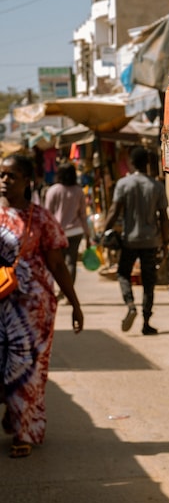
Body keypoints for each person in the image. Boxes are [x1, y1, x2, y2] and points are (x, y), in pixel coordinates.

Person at [0, 153, 83, 458]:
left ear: (27, 180)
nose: (5, 181)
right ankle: (13, 412)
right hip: (1, 304)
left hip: (34, 310)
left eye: (11, 176)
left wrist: (75, 304)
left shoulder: (41, 218)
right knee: (3, 366)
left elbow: (58, 264)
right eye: (2, 175)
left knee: (26, 369)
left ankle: (23, 432)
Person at [104, 146, 169, 335]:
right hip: (151, 241)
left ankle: (130, 304)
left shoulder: (124, 184)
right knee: (149, 282)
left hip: (129, 240)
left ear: (131, 163)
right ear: (148, 163)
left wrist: (104, 231)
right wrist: (165, 242)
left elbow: (113, 211)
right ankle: (146, 322)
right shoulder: (157, 186)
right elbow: (164, 217)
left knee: (123, 273)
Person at [43, 161, 92, 284]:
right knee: (71, 263)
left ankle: (61, 290)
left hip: (58, 232)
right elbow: (82, 214)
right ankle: (68, 292)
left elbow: (47, 214)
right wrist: (88, 234)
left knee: (58, 263)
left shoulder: (53, 191)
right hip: (76, 232)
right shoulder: (79, 191)